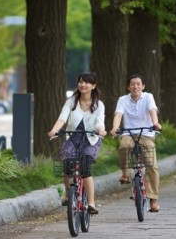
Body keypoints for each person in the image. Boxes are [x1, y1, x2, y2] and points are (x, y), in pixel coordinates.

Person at [48, 72, 107, 215]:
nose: (83, 85)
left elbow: (99, 122)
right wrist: (54, 130)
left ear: (93, 86)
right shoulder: (72, 101)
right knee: (67, 165)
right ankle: (69, 194)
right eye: (81, 81)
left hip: (90, 140)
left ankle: (91, 203)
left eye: (87, 82)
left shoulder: (98, 104)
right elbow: (62, 118)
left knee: (85, 168)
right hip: (72, 139)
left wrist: (101, 130)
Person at [110, 74, 162, 213]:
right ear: (128, 87)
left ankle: (153, 199)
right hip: (128, 133)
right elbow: (118, 115)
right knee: (124, 146)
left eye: (138, 84)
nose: (136, 86)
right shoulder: (123, 99)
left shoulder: (148, 97)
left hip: (146, 133)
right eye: (133, 84)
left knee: (151, 164)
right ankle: (125, 174)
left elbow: (152, 111)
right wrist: (115, 127)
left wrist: (155, 123)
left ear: (143, 86)